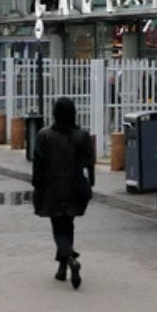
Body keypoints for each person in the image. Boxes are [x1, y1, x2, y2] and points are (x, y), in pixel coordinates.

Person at [32, 97, 93, 289]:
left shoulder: (45, 136)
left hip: (53, 186)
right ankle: (62, 268)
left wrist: (37, 184)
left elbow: (39, 163)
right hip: (75, 186)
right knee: (69, 224)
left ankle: (70, 258)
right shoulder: (81, 135)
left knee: (58, 227)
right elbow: (88, 163)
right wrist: (89, 183)